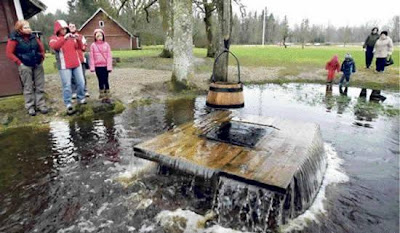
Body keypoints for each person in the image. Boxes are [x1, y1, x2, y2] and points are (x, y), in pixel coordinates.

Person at [6, 20, 48, 116]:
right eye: (26, 27)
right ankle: (30, 106)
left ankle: (41, 105)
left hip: (37, 63)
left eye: (29, 27)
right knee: (28, 86)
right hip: (24, 65)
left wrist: (42, 57)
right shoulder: (14, 38)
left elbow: (41, 48)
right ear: (20, 29)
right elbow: (9, 53)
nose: (28, 29)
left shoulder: (34, 37)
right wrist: (19, 63)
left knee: (39, 85)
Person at [49, 20, 86, 115]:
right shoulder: (54, 38)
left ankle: (81, 98)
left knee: (81, 82)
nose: (64, 30)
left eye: (65, 28)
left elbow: (80, 47)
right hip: (64, 66)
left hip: (76, 63)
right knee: (67, 85)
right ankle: (68, 103)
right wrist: (64, 38)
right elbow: (55, 46)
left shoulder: (71, 37)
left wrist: (78, 39)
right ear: (58, 29)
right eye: (62, 29)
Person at [89, 28, 113, 103]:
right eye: (98, 35)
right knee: (100, 81)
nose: (99, 37)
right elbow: (91, 57)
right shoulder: (93, 45)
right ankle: (102, 96)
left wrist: (109, 67)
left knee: (106, 80)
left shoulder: (106, 45)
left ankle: (107, 96)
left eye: (101, 35)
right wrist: (92, 67)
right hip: (97, 66)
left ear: (103, 36)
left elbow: (109, 56)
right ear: (95, 37)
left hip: (105, 66)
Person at [68, 23, 90, 99]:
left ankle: (84, 90)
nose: (72, 28)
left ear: (75, 27)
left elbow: (84, 46)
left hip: (80, 59)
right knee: (72, 77)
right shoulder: (67, 37)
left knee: (82, 75)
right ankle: (74, 91)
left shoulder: (80, 36)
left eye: (73, 26)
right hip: (71, 59)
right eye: (70, 26)